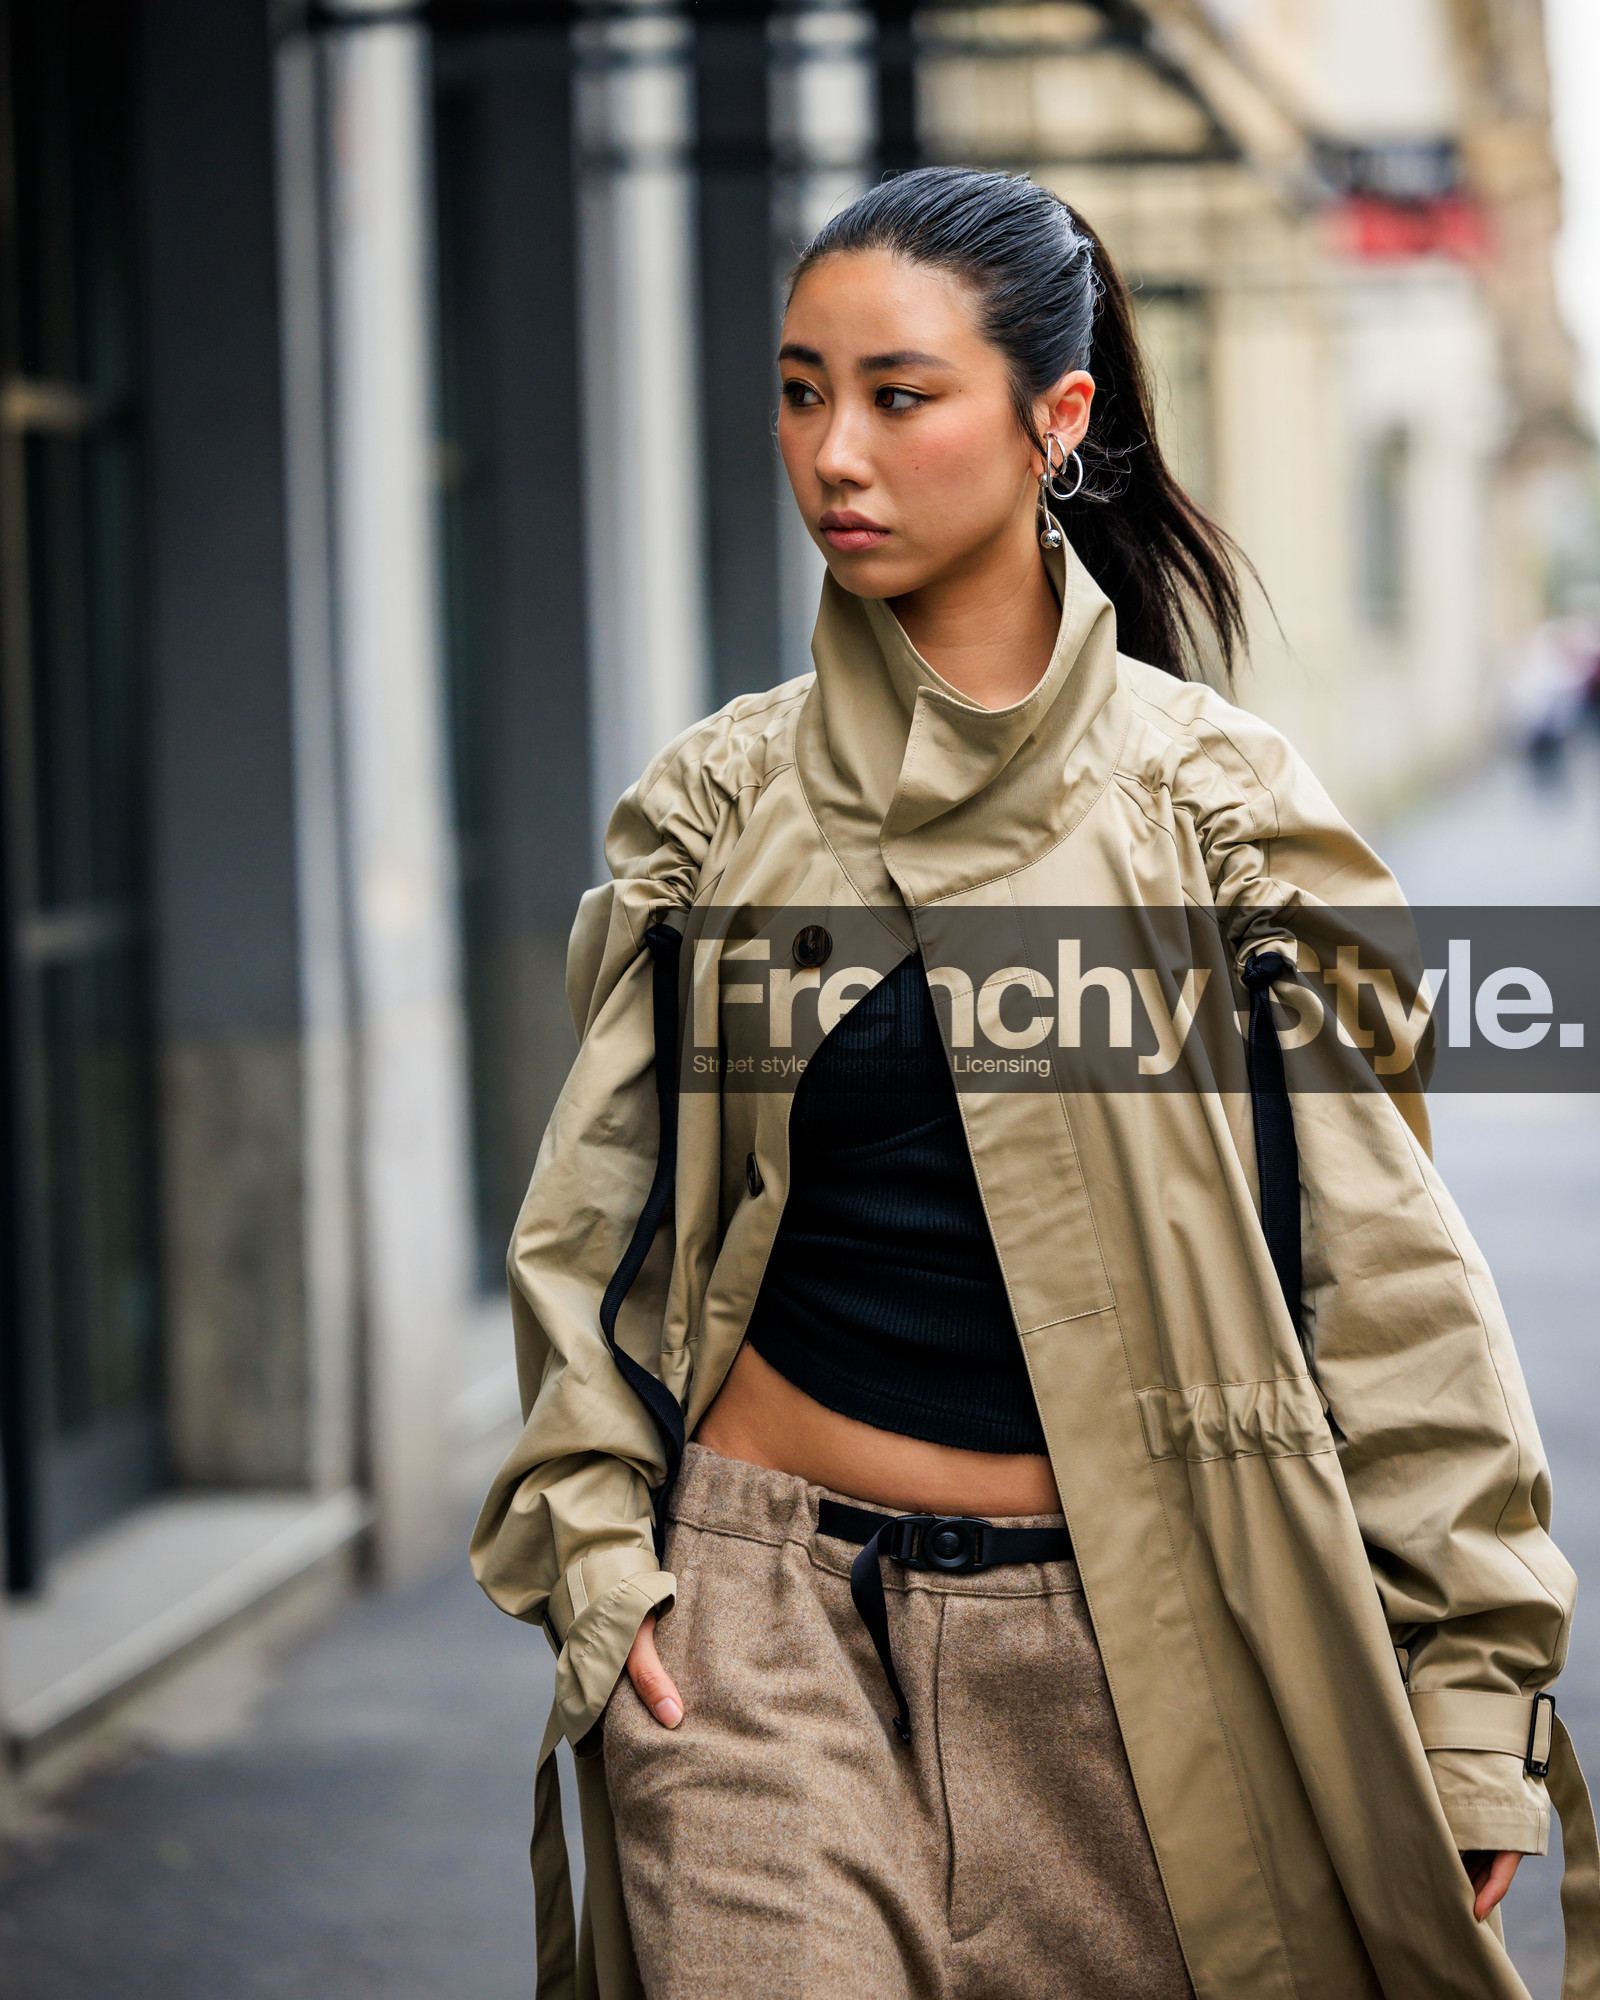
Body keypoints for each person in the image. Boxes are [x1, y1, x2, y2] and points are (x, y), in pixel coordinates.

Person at [473, 168, 1596, 2000]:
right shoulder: (721, 809)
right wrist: (604, 1562)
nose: (833, 452)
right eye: (797, 387)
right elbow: (595, 1234)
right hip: (758, 1633)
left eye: (898, 396)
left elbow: (1387, 1288)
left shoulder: (1219, 820)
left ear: (1053, 419)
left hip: (1143, 1661)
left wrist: (1471, 1689)